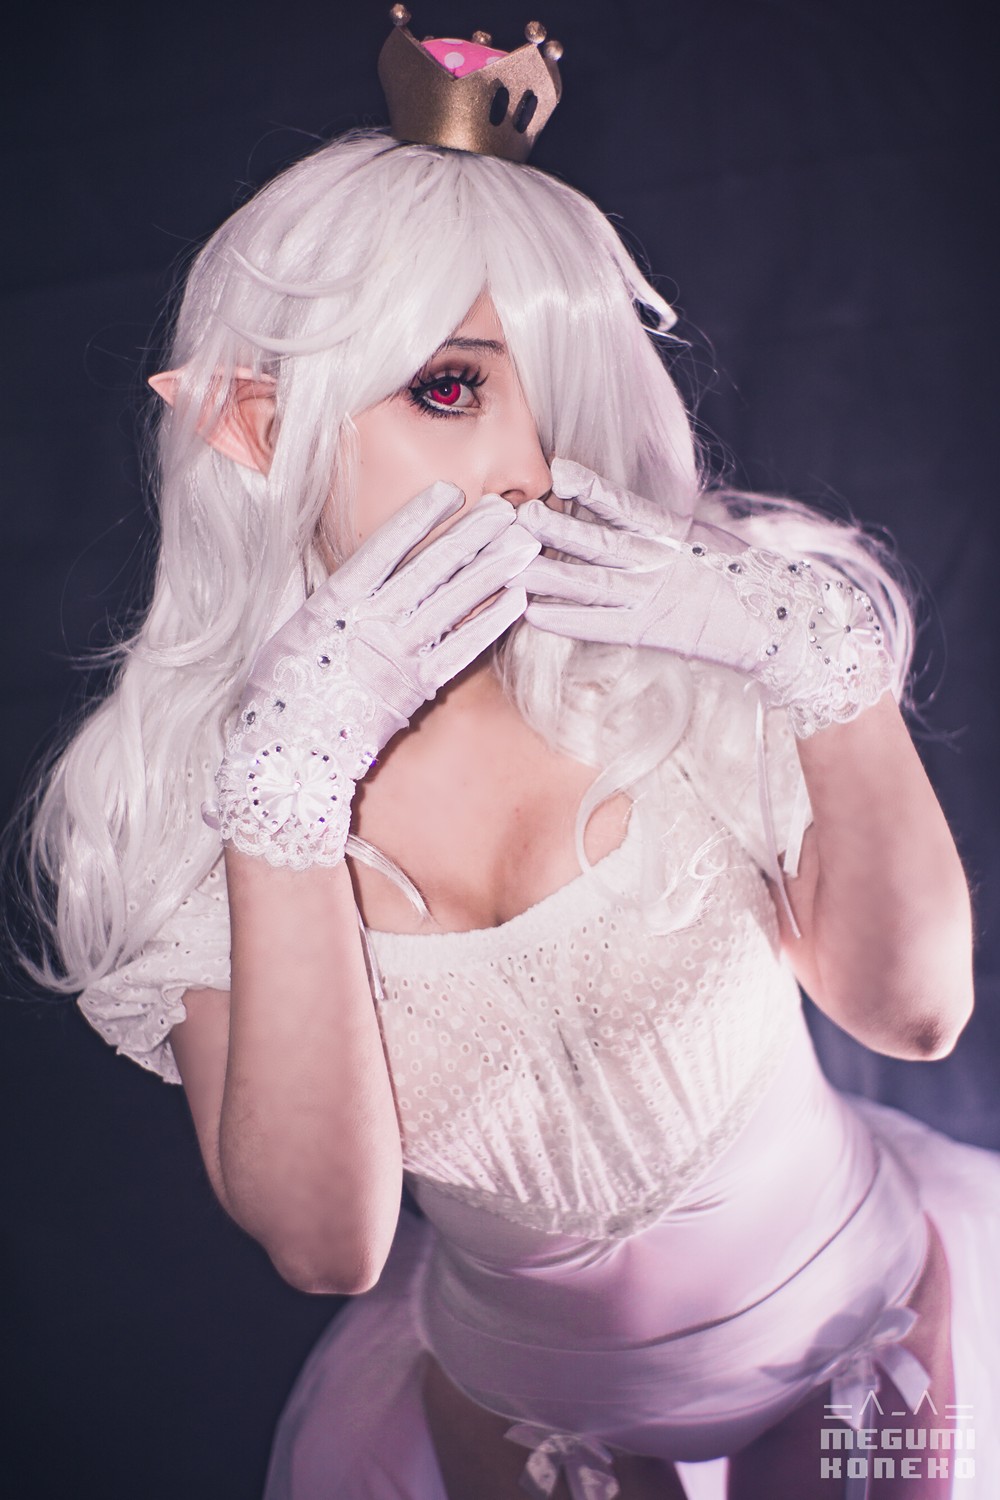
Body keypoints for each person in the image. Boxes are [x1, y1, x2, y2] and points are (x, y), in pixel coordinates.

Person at [21, 17, 1000, 1500]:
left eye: (548, 384)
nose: (531, 470)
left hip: (860, 1328)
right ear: (254, 427)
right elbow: (328, 1245)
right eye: (450, 386)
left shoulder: (700, 629)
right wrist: (285, 803)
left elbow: (917, 1015)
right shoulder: (188, 799)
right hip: (527, 1412)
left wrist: (824, 674)